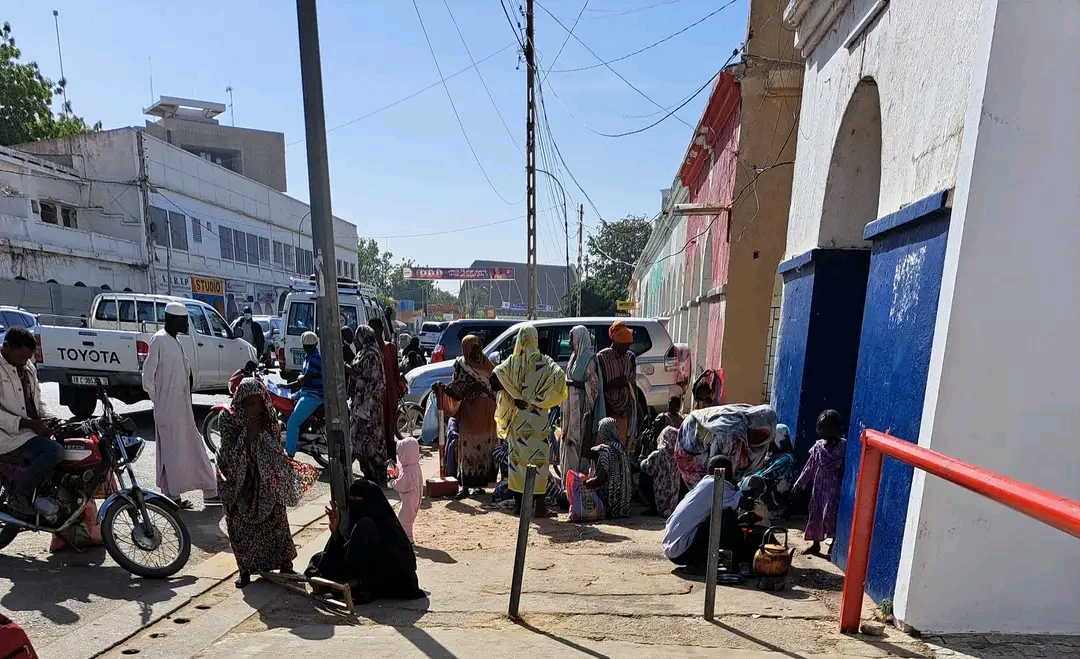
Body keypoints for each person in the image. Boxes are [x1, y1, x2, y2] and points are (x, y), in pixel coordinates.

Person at [217, 378, 319, 588]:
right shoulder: (228, 419)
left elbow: (273, 447)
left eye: (257, 402)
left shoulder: (269, 419)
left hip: (265, 478)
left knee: (276, 522)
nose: (254, 408)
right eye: (249, 403)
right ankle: (245, 571)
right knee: (239, 527)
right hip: (239, 482)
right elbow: (227, 454)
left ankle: (285, 564)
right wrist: (247, 437)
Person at [142, 303, 219, 509]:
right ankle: (173, 496)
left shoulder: (175, 342)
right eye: (184, 321)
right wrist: (160, 403)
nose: (187, 325)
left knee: (192, 449)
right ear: (173, 320)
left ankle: (209, 491)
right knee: (172, 454)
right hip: (168, 411)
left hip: (182, 410)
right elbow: (148, 378)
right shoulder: (159, 340)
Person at [305, 480, 426, 603]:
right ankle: (353, 584)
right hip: (362, 571)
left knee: (364, 526)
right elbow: (348, 553)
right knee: (317, 559)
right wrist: (335, 532)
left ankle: (357, 586)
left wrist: (363, 585)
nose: (355, 506)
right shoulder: (363, 530)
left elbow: (404, 577)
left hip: (384, 579)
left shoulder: (392, 537)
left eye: (358, 500)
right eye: (352, 501)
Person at [491, 324, 567, 517]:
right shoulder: (545, 362)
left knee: (517, 464)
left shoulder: (512, 362)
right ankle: (540, 507)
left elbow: (493, 377)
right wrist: (542, 398)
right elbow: (560, 379)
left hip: (518, 420)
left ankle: (519, 506)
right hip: (538, 421)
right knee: (540, 464)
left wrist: (515, 395)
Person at [0, 327, 63, 519]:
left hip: (28, 431)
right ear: (6, 347)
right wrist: (27, 424)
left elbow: (36, 401)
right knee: (54, 451)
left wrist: (50, 418)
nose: (24, 362)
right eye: (20, 358)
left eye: (27, 358)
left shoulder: (27, 367)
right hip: (8, 435)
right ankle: (19, 496)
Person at [662, 456, 754, 575]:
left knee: (724, 517)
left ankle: (701, 560)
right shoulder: (715, 484)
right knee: (726, 517)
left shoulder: (704, 484)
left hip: (673, 548)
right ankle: (699, 563)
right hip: (681, 550)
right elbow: (746, 503)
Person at [441, 334, 498, 498]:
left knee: (485, 449)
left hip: (487, 415)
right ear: (466, 350)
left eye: (478, 347)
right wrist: (443, 390)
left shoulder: (487, 364)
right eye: (473, 348)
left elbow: (496, 384)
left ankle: (479, 484)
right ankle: (465, 486)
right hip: (469, 414)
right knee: (467, 448)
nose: (477, 351)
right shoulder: (462, 366)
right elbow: (457, 389)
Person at [675, 404, 777, 489]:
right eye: (757, 433)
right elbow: (716, 466)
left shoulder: (760, 449)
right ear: (752, 425)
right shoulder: (730, 431)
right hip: (690, 444)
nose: (758, 438)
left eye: (764, 437)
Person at [795, 410, 846, 556]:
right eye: (819, 427)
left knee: (829, 516)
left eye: (823, 428)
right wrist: (799, 485)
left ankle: (834, 543)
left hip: (833, 490)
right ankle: (815, 544)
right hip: (818, 489)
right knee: (815, 515)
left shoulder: (843, 447)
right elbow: (809, 468)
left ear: (834, 429)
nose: (819, 431)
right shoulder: (818, 447)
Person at [560, 325, 602, 490]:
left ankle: (579, 488)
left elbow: (593, 386)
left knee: (579, 446)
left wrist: (571, 383)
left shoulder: (589, 358)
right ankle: (567, 486)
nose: (569, 342)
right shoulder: (573, 357)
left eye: (571, 338)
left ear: (579, 338)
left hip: (582, 410)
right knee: (568, 444)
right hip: (570, 409)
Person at [348, 325, 388, 486]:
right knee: (358, 439)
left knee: (369, 440)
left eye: (357, 338)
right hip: (360, 406)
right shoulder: (363, 353)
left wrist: (350, 371)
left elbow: (367, 380)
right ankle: (368, 473)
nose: (355, 341)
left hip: (369, 408)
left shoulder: (371, 355)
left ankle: (376, 474)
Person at [739, 423, 797, 526]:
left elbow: (764, 477)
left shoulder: (786, 459)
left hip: (775, 505)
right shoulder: (772, 456)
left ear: (777, 439)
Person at [595, 321, 638, 453]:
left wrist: (626, 384)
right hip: (608, 410)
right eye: (625, 344)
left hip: (624, 411)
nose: (627, 347)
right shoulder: (602, 357)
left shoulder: (626, 358)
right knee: (606, 446)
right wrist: (613, 383)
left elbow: (632, 381)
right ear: (617, 342)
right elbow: (596, 384)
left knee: (622, 445)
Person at [284, 331, 323, 459]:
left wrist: (299, 378)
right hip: (305, 392)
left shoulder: (315, 358)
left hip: (313, 396)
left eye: (307, 346)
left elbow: (305, 379)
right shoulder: (310, 356)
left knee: (293, 422)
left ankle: (289, 453)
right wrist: (286, 387)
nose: (306, 348)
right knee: (284, 400)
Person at [585, 417, 632, 519]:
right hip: (623, 503)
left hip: (611, 501)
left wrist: (584, 483)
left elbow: (599, 479)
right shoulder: (620, 448)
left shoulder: (606, 451)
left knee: (563, 498)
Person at [369, 317, 402, 461]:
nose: (373, 333)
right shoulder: (369, 351)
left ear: (381, 330)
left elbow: (395, 371)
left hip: (390, 394)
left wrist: (399, 386)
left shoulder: (390, 348)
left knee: (390, 428)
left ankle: (391, 460)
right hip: (376, 396)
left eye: (375, 330)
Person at [640, 426, 681, 518]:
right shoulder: (678, 455)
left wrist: (644, 447)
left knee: (642, 475)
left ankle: (653, 507)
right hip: (674, 500)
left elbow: (643, 466)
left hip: (661, 498)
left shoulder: (658, 455)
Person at [390, 437, 423, 543]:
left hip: (409, 501)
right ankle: (409, 538)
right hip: (415, 498)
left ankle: (405, 540)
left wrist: (393, 482)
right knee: (408, 521)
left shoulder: (408, 471)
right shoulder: (414, 466)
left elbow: (402, 485)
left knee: (402, 520)